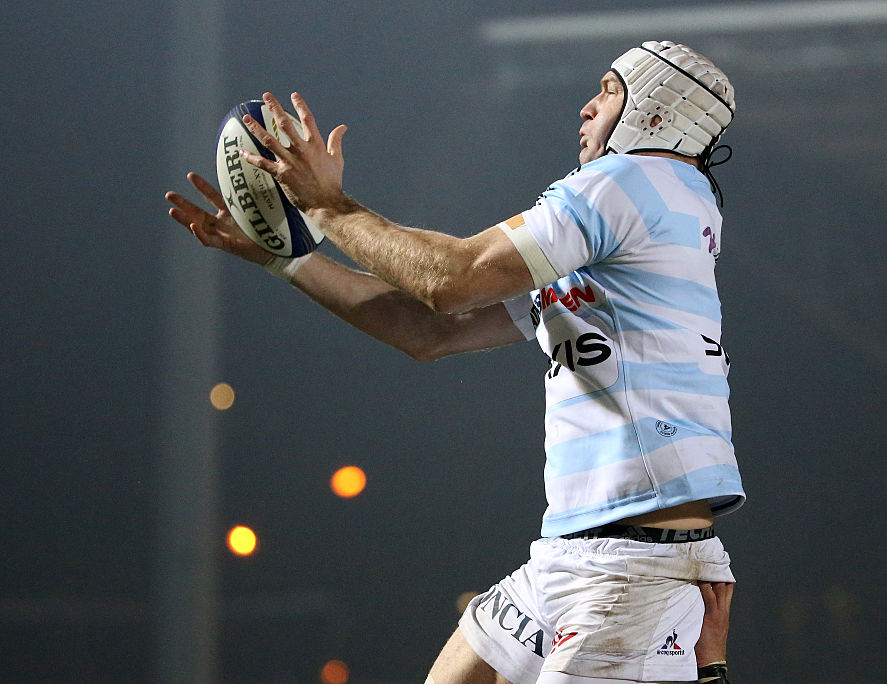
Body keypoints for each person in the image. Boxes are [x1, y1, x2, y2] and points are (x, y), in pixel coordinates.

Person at [166, 40, 743, 684]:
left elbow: (451, 277)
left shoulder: (628, 182)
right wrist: (286, 256)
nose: (586, 107)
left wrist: (324, 205)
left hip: (628, 567)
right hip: (581, 553)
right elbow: (429, 329)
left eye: (608, 90)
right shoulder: (658, 214)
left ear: (658, 114)